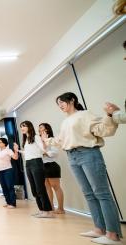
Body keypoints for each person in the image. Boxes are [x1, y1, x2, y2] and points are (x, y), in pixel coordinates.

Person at [42, 92, 121, 245]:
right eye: (58, 104)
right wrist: (48, 140)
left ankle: (113, 234)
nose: (60, 106)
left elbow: (103, 129)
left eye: (62, 102)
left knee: (102, 193)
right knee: (89, 194)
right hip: (72, 156)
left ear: (72, 100)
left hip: (88, 154)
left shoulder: (85, 115)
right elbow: (62, 140)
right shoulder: (65, 122)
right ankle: (99, 229)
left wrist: (109, 115)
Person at [19, 120, 53, 218]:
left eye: (24, 126)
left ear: (29, 126)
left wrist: (45, 141)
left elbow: (43, 149)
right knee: (34, 189)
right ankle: (41, 210)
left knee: (40, 188)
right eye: (21, 126)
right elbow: (28, 152)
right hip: (28, 163)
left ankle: (47, 211)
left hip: (36, 163)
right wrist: (19, 151)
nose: (22, 128)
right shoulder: (26, 139)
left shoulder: (36, 137)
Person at [39, 123, 65, 214]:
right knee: (47, 188)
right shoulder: (39, 141)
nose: (40, 130)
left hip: (51, 165)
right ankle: (51, 207)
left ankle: (61, 209)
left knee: (56, 187)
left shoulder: (52, 140)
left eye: (42, 128)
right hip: (42, 166)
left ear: (47, 129)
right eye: (39, 129)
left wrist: (44, 152)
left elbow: (55, 153)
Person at [0, 138, 19, 208]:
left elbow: (15, 157)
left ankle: (13, 203)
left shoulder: (8, 150)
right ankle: (8, 202)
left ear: (4, 143)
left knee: (10, 187)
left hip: (8, 170)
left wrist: (16, 150)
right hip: (0, 171)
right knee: (4, 187)